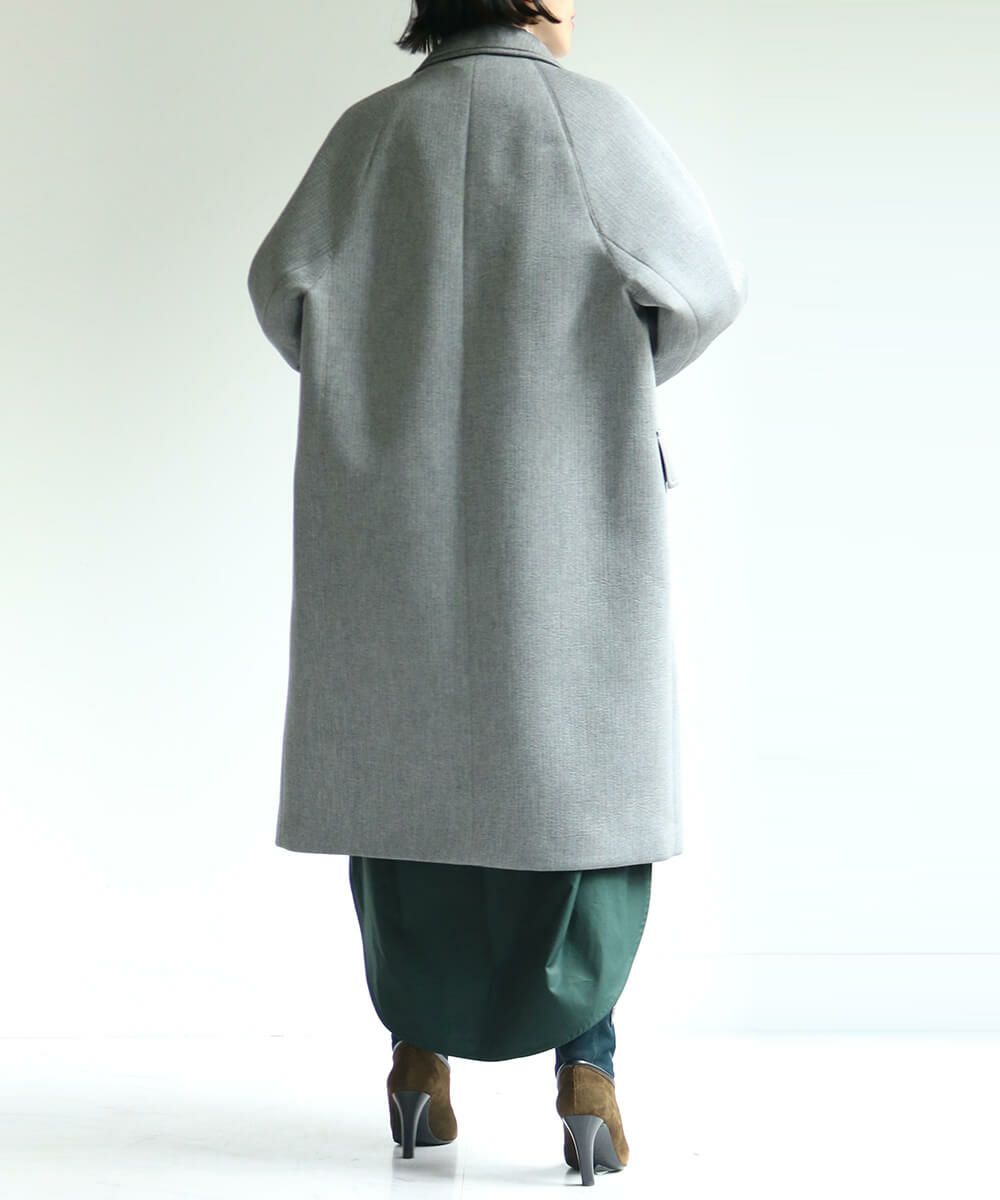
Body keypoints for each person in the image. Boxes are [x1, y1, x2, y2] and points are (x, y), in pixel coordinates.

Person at [246, 0, 747, 1184]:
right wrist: (609, 373)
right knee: (579, 790)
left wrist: (370, 372)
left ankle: (416, 1067)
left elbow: (281, 290)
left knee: (402, 784)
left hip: (394, 515)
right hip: (561, 505)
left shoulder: (370, 134)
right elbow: (706, 288)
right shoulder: (592, 123)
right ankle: (587, 1076)